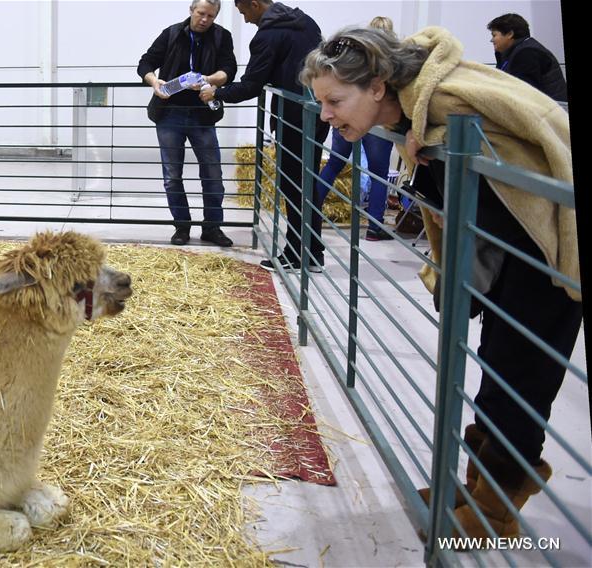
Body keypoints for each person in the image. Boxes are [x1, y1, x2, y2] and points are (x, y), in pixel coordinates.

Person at [300, 26, 580, 540]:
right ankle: (478, 487)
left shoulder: (449, 102)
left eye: (336, 100)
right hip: (508, 250)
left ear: (378, 87)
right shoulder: (422, 113)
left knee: (523, 377)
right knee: (499, 371)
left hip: (545, 250)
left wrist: (435, 143)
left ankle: (497, 508)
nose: (327, 115)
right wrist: (426, 150)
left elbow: (537, 136)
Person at [200, 0, 330, 272]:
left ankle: (297, 255)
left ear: (256, 4)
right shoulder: (305, 21)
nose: (246, 19)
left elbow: (251, 86)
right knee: (308, 183)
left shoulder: (268, 35)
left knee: (294, 185)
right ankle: (313, 252)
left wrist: (217, 92)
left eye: (245, 12)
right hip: (319, 111)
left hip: (293, 117)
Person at [137, 0, 237, 247]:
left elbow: (229, 69)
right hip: (169, 113)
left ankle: (212, 228)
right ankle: (181, 226)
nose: (204, 19)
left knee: (213, 173)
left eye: (210, 16)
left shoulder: (222, 36)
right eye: (201, 13)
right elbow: (145, 63)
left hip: (203, 114)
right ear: (191, 11)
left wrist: (210, 80)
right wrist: (154, 82)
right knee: (172, 175)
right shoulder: (171, 33)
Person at [315, 16, 396, 242]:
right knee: (379, 173)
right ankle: (374, 227)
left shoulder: (355, 59)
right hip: (378, 122)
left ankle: (312, 211)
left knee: (334, 163)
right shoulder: (392, 62)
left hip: (348, 116)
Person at [487, 13, 567, 102]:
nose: (491, 40)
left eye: (494, 35)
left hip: (550, 112)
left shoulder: (527, 53)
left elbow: (524, 94)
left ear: (510, 34)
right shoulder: (515, 52)